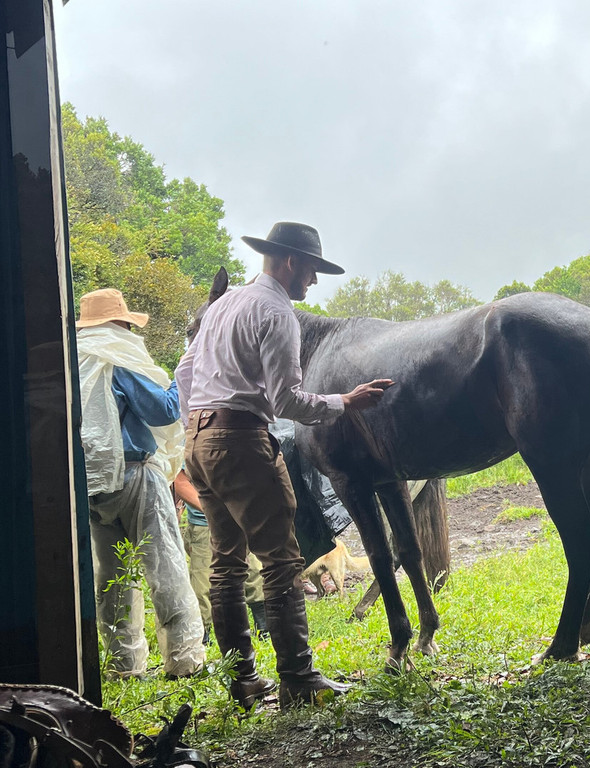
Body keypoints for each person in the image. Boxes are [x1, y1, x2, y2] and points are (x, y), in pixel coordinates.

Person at [176, 221, 393, 709]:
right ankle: (298, 677)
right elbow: (286, 400)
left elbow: (184, 371)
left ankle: (243, 680)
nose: (313, 282)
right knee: (281, 560)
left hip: (199, 441)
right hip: (241, 442)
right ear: (292, 262)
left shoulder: (224, 303)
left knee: (226, 560)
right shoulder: (277, 313)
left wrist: (200, 419)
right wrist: (346, 400)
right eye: (313, 270)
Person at [77, 288, 206, 679]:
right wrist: (180, 376)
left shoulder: (75, 361)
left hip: (92, 483)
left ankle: (123, 667)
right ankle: (184, 660)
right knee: (164, 562)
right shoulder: (117, 358)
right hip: (135, 475)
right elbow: (165, 409)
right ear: (119, 323)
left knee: (112, 577)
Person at [173, 469, 268, 644]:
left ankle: (264, 627)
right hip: (204, 524)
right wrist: (212, 510)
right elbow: (181, 483)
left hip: (241, 518)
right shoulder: (188, 444)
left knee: (253, 572)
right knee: (202, 582)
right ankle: (204, 635)